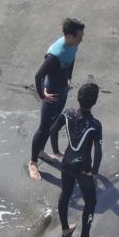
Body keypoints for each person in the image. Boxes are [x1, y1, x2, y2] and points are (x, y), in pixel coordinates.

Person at [28, 18, 85, 181]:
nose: (82, 38)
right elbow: (38, 75)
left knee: (54, 123)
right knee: (44, 128)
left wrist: (69, 78)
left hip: (62, 90)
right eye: (80, 36)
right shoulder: (55, 54)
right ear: (69, 36)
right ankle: (32, 162)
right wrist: (42, 95)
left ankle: (41, 152)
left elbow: (72, 59)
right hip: (51, 93)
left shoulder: (74, 45)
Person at [49, 82, 104, 237]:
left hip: (67, 163)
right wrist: (94, 172)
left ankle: (65, 229)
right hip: (83, 169)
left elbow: (52, 130)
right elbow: (99, 151)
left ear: (78, 98)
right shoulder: (95, 125)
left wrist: (56, 152)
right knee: (91, 201)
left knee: (65, 194)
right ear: (94, 102)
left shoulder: (68, 113)